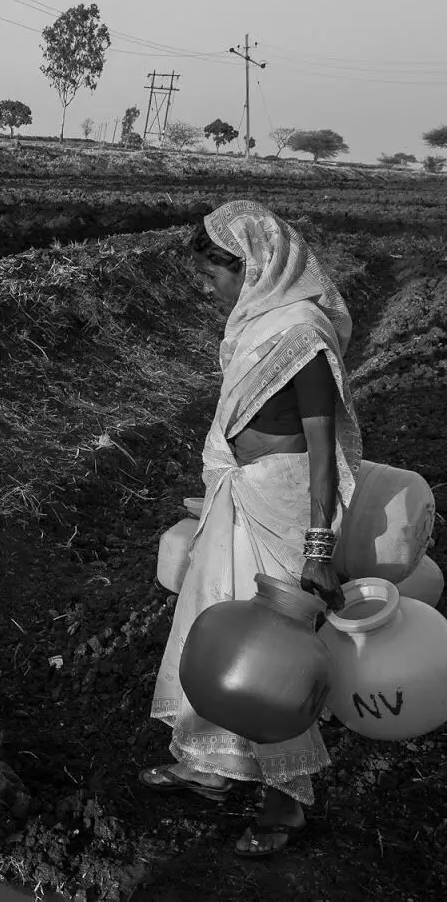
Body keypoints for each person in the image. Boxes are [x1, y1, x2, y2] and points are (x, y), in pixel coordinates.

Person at [143, 201, 355, 859]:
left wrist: (318, 546)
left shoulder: (302, 336)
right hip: (242, 495)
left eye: (213, 277)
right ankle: (209, 766)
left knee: (273, 657)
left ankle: (287, 802)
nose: (207, 289)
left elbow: (323, 452)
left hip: (284, 505)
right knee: (213, 626)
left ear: (253, 268)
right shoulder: (258, 326)